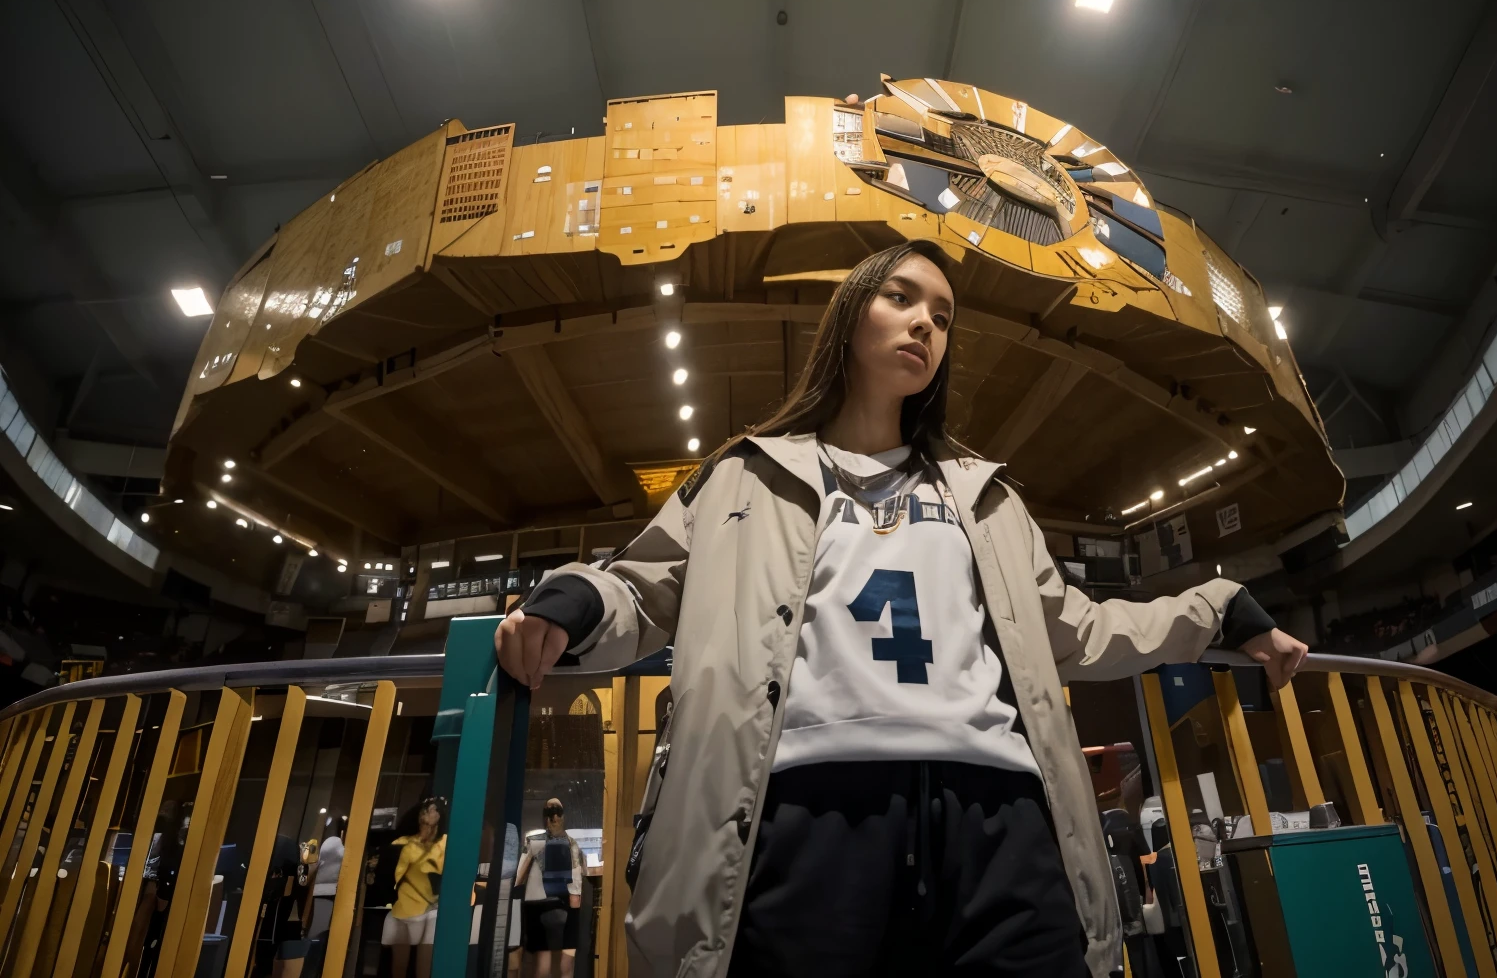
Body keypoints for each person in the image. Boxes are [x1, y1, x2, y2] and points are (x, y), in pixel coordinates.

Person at [494, 239, 1308, 977]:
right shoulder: (745, 476)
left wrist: (1220, 610)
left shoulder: (986, 497)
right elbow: (641, 587)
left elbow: (1083, 631)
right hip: (805, 813)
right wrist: (564, 603)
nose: (926, 324)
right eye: (903, 298)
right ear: (850, 318)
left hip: (999, 815)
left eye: (944, 318)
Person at [516, 798, 586, 978]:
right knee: (547, 960)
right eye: (551, 814)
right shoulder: (563, 843)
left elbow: (519, 879)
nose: (554, 818)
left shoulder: (570, 844)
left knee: (555, 961)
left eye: (557, 813)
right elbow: (519, 878)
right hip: (546, 905)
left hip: (553, 904)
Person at [384, 797, 447, 978]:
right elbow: (391, 872)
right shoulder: (403, 843)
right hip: (403, 908)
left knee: (424, 969)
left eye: (433, 809)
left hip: (429, 911)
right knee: (398, 968)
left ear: (441, 815)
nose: (427, 812)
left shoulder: (444, 844)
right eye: (424, 809)